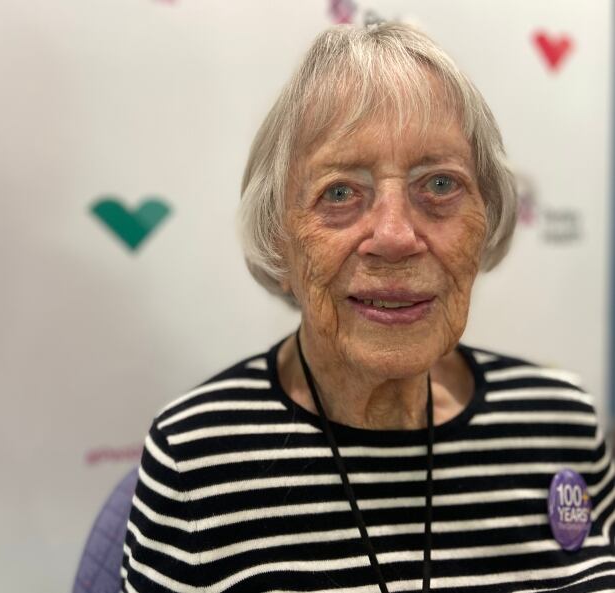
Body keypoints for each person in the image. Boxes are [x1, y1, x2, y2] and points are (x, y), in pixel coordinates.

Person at [121, 22, 615, 592]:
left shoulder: (560, 421)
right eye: (339, 192)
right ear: (278, 234)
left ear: (489, 217)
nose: (396, 235)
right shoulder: (199, 459)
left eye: (439, 184)